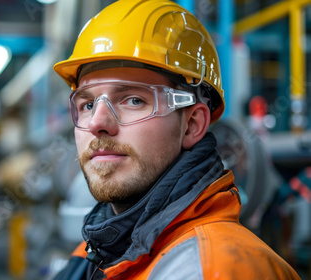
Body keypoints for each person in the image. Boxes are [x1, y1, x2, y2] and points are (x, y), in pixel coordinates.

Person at [52, 0, 300, 279]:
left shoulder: (214, 268)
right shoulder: (93, 255)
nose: (97, 123)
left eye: (134, 100)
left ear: (192, 125)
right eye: (86, 105)